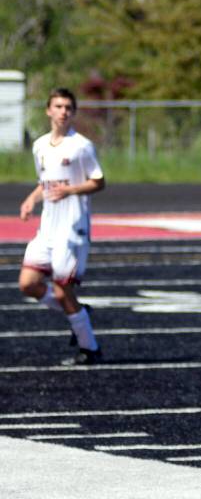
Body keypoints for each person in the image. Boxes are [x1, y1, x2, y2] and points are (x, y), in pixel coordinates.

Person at [18, 88, 105, 366]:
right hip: (48, 228)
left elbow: (99, 181)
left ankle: (89, 348)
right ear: (48, 111)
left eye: (68, 107)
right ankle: (80, 314)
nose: (63, 111)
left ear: (73, 112)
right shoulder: (40, 145)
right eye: (58, 106)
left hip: (72, 229)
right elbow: (44, 182)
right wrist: (31, 199)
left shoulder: (81, 146)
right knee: (28, 284)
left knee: (60, 290)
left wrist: (71, 191)